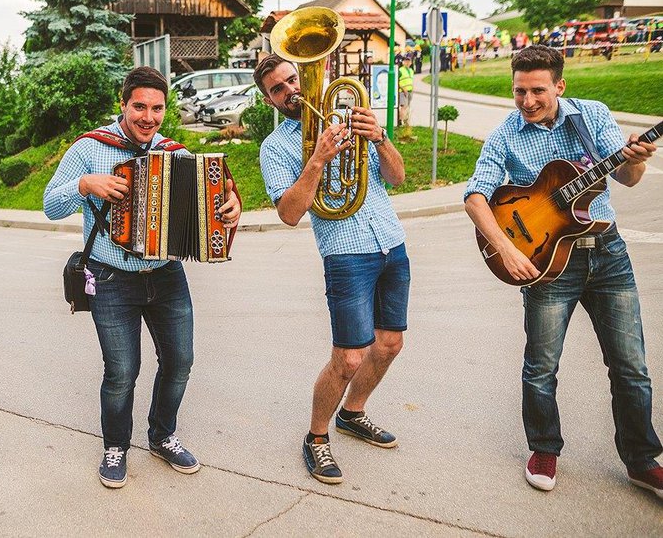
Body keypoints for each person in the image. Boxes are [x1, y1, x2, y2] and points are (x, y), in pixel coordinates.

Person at [463, 45, 662, 499]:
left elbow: (628, 178)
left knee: (631, 366)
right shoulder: (506, 135)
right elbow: (477, 196)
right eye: (519, 91)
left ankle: (642, 460)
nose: (527, 101)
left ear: (559, 85)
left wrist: (636, 158)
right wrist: (506, 250)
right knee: (541, 367)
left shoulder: (591, 116)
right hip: (549, 264)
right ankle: (544, 448)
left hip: (609, 256)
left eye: (537, 91)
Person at [43, 66, 241, 489]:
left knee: (180, 362)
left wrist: (231, 207)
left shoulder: (176, 152)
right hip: (111, 278)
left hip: (167, 275)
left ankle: (162, 435)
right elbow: (50, 204)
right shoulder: (89, 148)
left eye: (157, 108)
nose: (148, 117)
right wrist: (84, 184)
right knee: (121, 370)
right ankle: (116, 446)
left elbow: (217, 196)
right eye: (139, 107)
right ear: (123, 103)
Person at [255, 54, 409, 484]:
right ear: (268, 99)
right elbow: (288, 212)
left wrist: (379, 137)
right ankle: (316, 437)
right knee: (347, 357)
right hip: (346, 254)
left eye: (292, 79)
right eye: (279, 89)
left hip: (390, 243)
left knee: (390, 344)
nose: (291, 91)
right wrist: (317, 160)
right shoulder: (277, 147)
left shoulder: (349, 113)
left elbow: (396, 177)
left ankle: (353, 414)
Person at [397, 56, 415, 131]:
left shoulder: (411, 70)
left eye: (409, 61)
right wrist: (402, 88)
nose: (407, 63)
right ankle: (401, 121)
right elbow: (397, 80)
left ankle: (405, 119)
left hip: (410, 90)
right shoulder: (400, 70)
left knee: (407, 106)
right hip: (403, 91)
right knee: (403, 106)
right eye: (406, 61)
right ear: (403, 62)